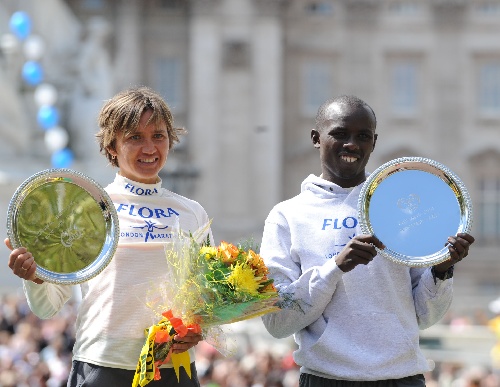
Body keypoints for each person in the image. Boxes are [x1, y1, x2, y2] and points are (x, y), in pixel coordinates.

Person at [259, 95, 475, 387]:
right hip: (327, 378)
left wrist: (440, 270)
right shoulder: (287, 215)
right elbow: (277, 323)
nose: (352, 144)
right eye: (339, 133)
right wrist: (334, 268)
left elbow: (424, 315)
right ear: (315, 138)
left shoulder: (398, 207)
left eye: (363, 136)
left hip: (402, 377)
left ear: (374, 142)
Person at [5, 86, 211, 386]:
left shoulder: (192, 212)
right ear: (112, 146)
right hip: (102, 366)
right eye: (134, 137)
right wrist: (34, 277)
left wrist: (198, 327)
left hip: (172, 369)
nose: (150, 147)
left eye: (158, 135)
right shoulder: (84, 209)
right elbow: (47, 307)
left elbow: (206, 298)